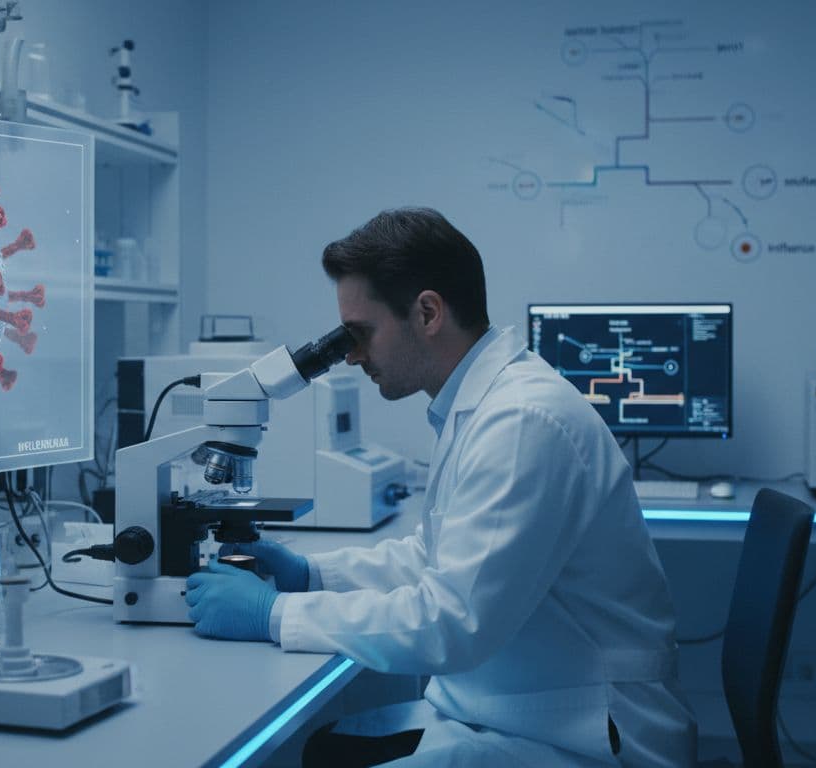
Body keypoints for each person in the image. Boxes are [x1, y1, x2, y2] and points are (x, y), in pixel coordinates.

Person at [184, 207, 697, 767]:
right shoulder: (481, 405)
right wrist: (312, 574)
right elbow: (437, 557)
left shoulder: (522, 421)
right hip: (518, 709)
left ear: (427, 312)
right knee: (325, 751)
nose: (351, 356)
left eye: (360, 334)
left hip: (583, 734)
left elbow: (450, 621)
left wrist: (274, 614)